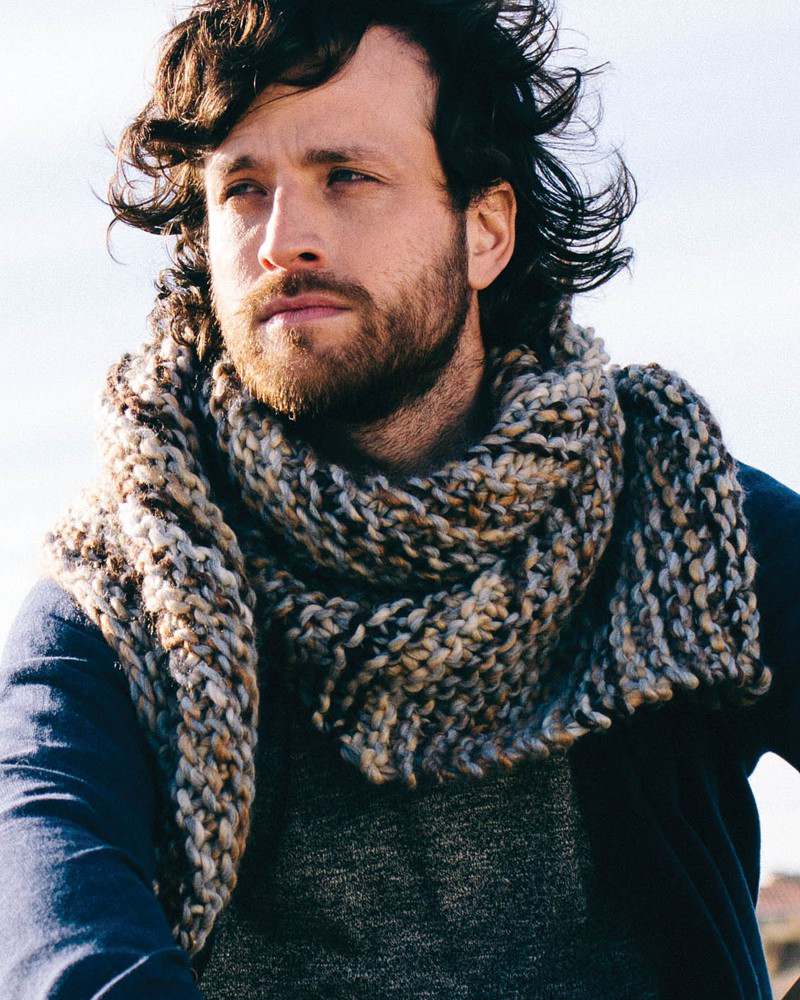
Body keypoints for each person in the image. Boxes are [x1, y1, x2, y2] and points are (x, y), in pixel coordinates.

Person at [0, 1, 797, 998]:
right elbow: (61, 955)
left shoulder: (679, 513)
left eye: (346, 175)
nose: (283, 240)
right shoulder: (117, 606)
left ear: (485, 229)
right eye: (243, 189)